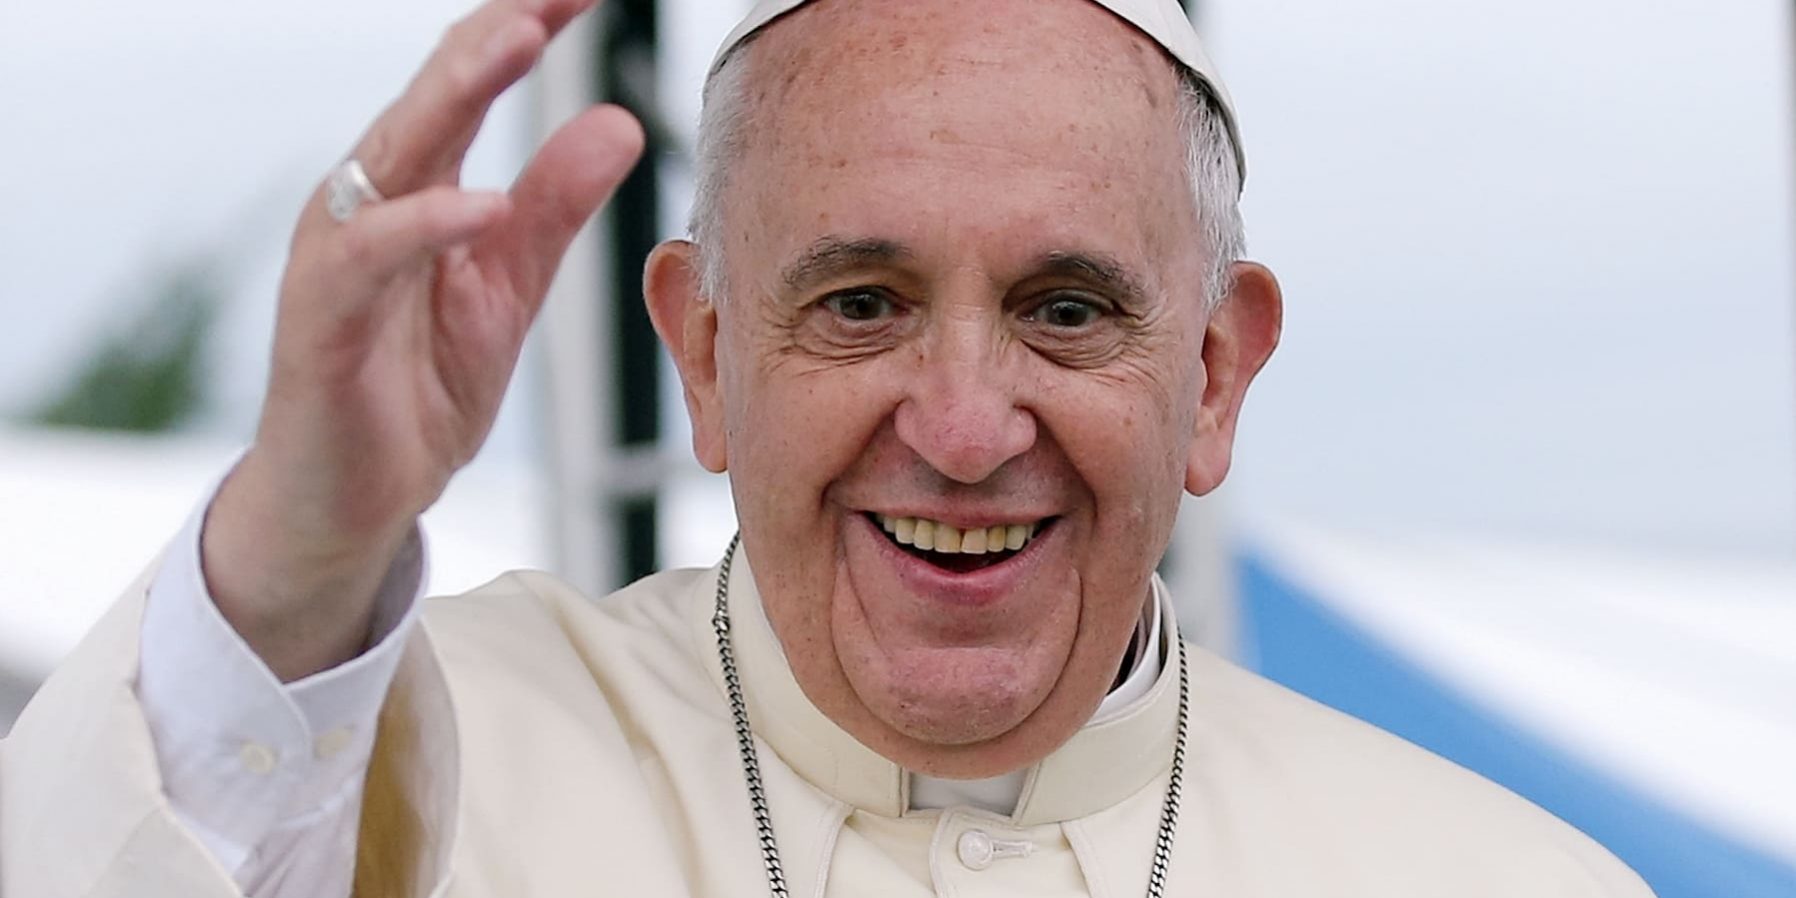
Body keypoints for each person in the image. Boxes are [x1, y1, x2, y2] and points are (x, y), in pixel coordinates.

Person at [0, 0, 1655, 895]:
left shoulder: (1500, 875)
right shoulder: (397, 783)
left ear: (1213, 374)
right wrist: (298, 548)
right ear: (705, 356)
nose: (956, 425)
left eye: (1066, 309)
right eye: (859, 303)